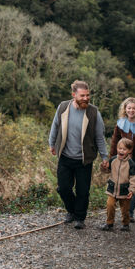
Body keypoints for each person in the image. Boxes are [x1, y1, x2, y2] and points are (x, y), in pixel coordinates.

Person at [49, 80, 108, 229]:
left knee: (83, 191)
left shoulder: (94, 112)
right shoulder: (63, 107)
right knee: (63, 188)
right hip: (65, 156)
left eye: (88, 95)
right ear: (74, 95)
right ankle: (72, 211)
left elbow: (100, 137)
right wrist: (51, 144)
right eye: (82, 95)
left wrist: (104, 156)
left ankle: (80, 218)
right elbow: (55, 125)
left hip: (84, 159)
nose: (86, 98)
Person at [100, 138, 135, 232]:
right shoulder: (113, 159)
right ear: (117, 148)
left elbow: (134, 178)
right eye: (120, 148)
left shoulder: (131, 164)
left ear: (129, 151)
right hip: (112, 188)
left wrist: (132, 190)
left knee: (125, 209)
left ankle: (126, 224)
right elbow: (106, 171)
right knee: (110, 205)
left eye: (124, 149)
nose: (121, 151)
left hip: (124, 190)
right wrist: (103, 167)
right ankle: (109, 223)